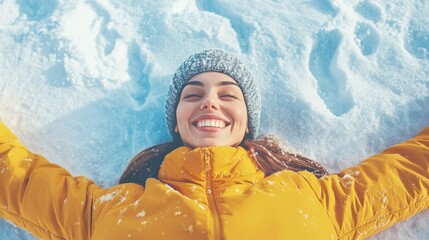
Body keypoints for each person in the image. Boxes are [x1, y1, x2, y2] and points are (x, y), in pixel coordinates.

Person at [0, 49, 428, 240]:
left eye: (228, 94)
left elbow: (411, 171)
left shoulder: (315, 199)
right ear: (178, 122)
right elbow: (14, 176)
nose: (209, 100)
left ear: (247, 124)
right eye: (193, 94)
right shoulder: (108, 210)